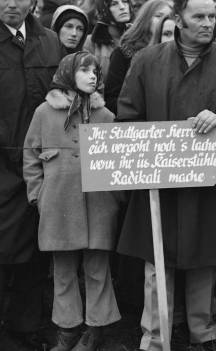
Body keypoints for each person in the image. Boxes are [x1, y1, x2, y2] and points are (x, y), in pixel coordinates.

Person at [116, 0, 216, 351]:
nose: (207, 23)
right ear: (178, 20)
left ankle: (204, 333)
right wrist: (156, 150)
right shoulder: (147, 61)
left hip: (209, 182)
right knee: (157, 261)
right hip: (158, 185)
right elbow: (127, 116)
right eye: (198, 16)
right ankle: (155, 338)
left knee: (205, 259)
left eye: (212, 16)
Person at [23, 51, 121, 351]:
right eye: (85, 70)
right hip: (58, 206)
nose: (93, 76)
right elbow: (30, 155)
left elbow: (118, 160)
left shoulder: (105, 116)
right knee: (63, 272)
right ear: (68, 73)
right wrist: (38, 194)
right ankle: (66, 329)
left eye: (96, 71)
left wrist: (115, 199)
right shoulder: (44, 113)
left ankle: (95, 329)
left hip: (99, 207)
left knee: (97, 269)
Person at [0, 0, 63, 350]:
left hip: (43, 166)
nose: (11, 4)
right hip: (1, 167)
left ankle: (23, 331)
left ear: (32, 1)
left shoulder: (50, 42)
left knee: (37, 253)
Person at [105, 0, 172, 114]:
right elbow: (111, 99)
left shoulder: (176, 53)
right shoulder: (124, 53)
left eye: (168, 17)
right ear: (146, 19)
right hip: (135, 125)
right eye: (158, 16)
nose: (163, 21)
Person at [83, 0, 133, 81]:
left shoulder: (138, 37)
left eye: (125, 1)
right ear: (104, 9)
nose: (122, 7)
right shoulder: (91, 43)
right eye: (114, 4)